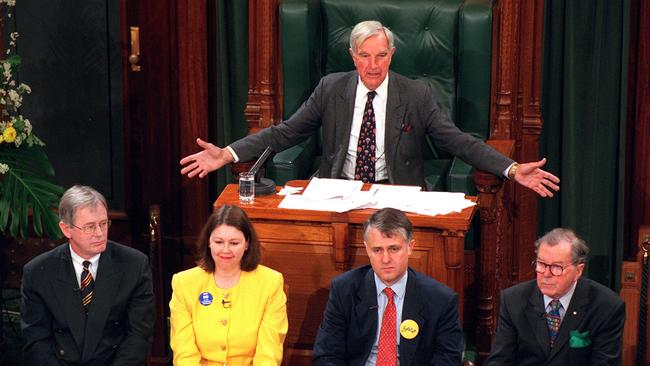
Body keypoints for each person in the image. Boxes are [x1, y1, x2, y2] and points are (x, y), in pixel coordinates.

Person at [180, 20, 560, 197]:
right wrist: (228, 153)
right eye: (365, 56)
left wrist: (510, 168)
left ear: (391, 54)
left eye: (381, 55)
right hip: (336, 189)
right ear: (353, 56)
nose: (373, 65)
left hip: (396, 192)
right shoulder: (332, 88)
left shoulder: (416, 95)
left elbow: (458, 141)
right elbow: (286, 132)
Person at [21, 185, 154, 365]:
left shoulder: (134, 265)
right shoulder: (38, 272)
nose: (100, 233)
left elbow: (138, 336)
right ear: (66, 229)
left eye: (104, 223)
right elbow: (36, 339)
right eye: (90, 227)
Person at [312, 207, 463, 365]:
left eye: (394, 249)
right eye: (377, 250)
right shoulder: (344, 289)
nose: (385, 259)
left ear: (410, 247)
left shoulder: (441, 299)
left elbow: (448, 360)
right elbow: (326, 355)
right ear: (367, 249)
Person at [485, 228, 625, 365]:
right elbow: (500, 360)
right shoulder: (513, 300)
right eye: (541, 264)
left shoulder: (606, 307)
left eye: (557, 267)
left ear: (578, 270)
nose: (546, 274)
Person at [169, 205, 288, 365]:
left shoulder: (270, 283)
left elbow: (269, 353)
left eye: (234, 243)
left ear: (247, 244)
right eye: (218, 241)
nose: (225, 250)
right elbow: (184, 354)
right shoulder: (184, 283)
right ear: (209, 242)